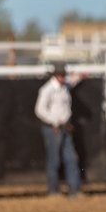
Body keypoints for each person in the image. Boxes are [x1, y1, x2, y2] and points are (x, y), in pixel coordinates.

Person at [34, 62, 82, 197]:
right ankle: (53, 190)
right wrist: (54, 121)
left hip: (65, 127)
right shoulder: (47, 90)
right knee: (54, 160)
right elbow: (39, 110)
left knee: (71, 158)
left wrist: (82, 74)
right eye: (59, 75)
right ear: (55, 76)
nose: (61, 77)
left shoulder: (64, 87)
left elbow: (74, 80)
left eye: (63, 75)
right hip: (53, 128)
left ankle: (74, 189)